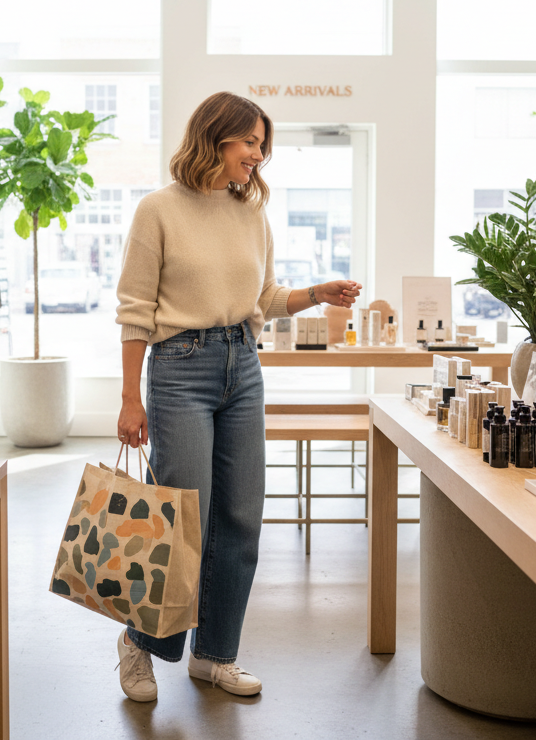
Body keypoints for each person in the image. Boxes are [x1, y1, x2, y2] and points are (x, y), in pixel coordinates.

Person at [113, 91, 360, 702]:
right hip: (179, 368)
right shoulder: (157, 210)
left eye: (261, 145)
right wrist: (130, 398)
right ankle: (140, 644)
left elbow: (265, 299)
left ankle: (215, 654)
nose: (258, 154)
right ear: (215, 137)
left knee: (242, 518)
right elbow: (135, 311)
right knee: (180, 518)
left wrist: (318, 293)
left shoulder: (251, 211)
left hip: (243, 366)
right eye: (250, 142)